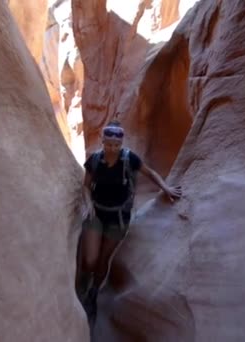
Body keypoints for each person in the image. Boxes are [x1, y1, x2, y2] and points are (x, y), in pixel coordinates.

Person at [76, 120, 182, 323]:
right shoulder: (95, 160)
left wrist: (166, 188)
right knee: (90, 259)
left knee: (103, 260)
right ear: (103, 141)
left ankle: (93, 295)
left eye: (116, 145)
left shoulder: (129, 159)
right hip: (96, 214)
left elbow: (149, 173)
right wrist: (88, 203)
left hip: (118, 217)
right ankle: (84, 281)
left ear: (121, 144)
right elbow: (86, 186)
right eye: (108, 144)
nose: (112, 149)